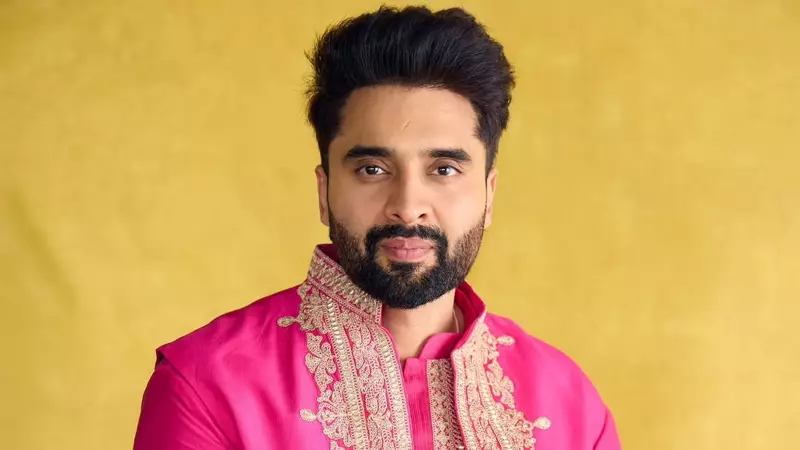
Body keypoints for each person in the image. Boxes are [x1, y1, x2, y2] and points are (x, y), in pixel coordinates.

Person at [133, 5, 621, 449]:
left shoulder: (571, 405)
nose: (408, 207)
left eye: (444, 169)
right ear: (324, 191)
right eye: (372, 169)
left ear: (489, 194)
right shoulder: (207, 385)